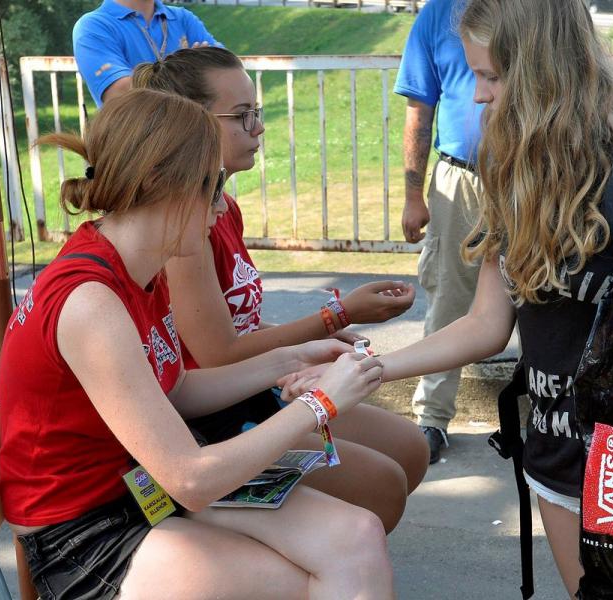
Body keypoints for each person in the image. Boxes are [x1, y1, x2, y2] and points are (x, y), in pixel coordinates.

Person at [286, 0, 613, 593]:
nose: (478, 96)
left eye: (490, 76)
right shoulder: (518, 171)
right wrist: (369, 367)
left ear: (544, 74)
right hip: (553, 453)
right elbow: (488, 322)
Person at [0, 88, 393, 599]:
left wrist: (292, 358)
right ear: (162, 186)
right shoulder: (91, 302)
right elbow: (191, 478)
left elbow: (176, 387)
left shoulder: (140, 266)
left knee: (357, 536)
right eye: (213, 184)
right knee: (301, 584)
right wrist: (320, 403)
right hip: (85, 534)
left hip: (139, 487)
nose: (222, 203)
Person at [132, 47, 426, 533]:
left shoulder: (220, 204)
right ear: (191, 124)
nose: (259, 128)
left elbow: (235, 327)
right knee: (381, 488)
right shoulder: (185, 227)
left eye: (258, 114)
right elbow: (218, 355)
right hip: (215, 416)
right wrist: (334, 319)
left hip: (250, 387)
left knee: (409, 451)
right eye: (243, 116)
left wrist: (307, 348)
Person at [395, 0, 485, 464]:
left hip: (532, 173)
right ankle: (432, 418)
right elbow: (419, 109)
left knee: (545, 293)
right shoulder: (437, 14)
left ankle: (554, 411)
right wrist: (414, 194)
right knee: (449, 299)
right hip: (460, 179)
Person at [73, 0, 220, 107]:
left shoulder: (183, 18)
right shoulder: (93, 26)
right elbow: (122, 93)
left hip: (193, 138)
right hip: (138, 143)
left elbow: (227, 71)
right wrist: (192, 72)